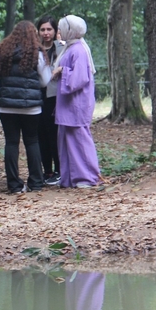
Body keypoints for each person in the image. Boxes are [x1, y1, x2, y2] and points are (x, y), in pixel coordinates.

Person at [0, 20, 52, 193]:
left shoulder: (3, 53)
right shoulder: (36, 54)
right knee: (32, 141)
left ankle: (14, 184)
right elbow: (45, 81)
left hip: (6, 106)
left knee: (11, 142)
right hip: (30, 106)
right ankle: (36, 181)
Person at [52, 15, 101, 188]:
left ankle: (87, 177)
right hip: (68, 103)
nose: (58, 31)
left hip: (76, 103)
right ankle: (70, 178)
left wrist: (62, 71)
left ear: (70, 30)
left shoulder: (78, 50)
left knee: (79, 140)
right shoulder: (71, 48)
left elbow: (80, 78)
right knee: (67, 141)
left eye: (61, 28)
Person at [37, 16, 64, 185]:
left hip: (54, 96)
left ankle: (60, 169)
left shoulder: (62, 48)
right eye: (43, 29)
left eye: (49, 29)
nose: (46, 33)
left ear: (55, 31)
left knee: (54, 134)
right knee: (41, 134)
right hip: (37, 96)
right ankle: (47, 170)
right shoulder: (34, 49)